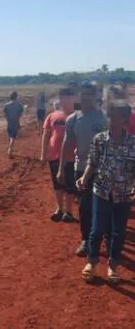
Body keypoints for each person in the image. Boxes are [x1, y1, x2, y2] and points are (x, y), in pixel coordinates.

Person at [77, 101, 134, 283]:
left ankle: (112, 266)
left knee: (118, 232)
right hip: (101, 191)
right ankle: (92, 263)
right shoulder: (100, 139)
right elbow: (92, 163)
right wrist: (84, 178)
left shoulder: (133, 143)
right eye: (110, 115)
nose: (112, 119)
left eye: (116, 115)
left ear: (125, 118)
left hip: (124, 194)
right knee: (96, 230)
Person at [58, 84, 108, 257]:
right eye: (84, 95)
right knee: (85, 207)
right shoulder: (73, 119)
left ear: (96, 96)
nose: (86, 99)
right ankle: (86, 240)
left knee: (104, 206)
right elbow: (66, 144)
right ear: (80, 97)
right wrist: (61, 169)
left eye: (90, 95)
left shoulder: (104, 117)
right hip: (81, 169)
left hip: (104, 169)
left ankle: (107, 240)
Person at [40, 88, 77, 222]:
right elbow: (45, 136)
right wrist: (43, 154)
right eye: (63, 98)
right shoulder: (52, 116)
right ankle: (59, 209)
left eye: (69, 98)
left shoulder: (78, 115)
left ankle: (69, 211)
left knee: (70, 185)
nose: (66, 101)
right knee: (57, 184)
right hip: (54, 155)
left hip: (72, 156)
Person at [3, 91, 24, 158]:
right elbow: (21, 114)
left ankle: (10, 149)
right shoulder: (19, 105)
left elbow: (5, 115)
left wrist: (8, 118)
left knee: (10, 137)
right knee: (13, 137)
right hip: (15, 123)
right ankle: (10, 151)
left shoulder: (6, 105)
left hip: (9, 123)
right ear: (16, 96)